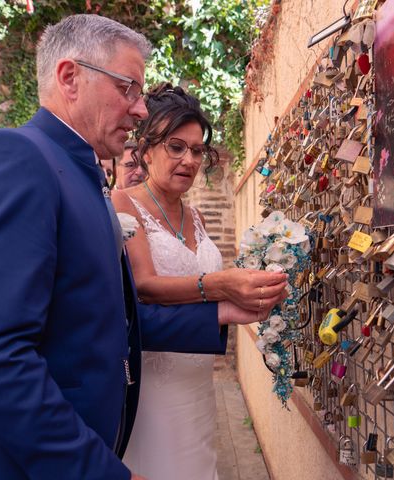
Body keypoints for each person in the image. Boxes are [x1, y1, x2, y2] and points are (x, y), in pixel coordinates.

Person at [0, 14, 287, 480]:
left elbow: (104, 323)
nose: (140, 110)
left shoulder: (82, 176)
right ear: (70, 78)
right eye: (128, 88)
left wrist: (223, 313)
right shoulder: (14, 160)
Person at [112, 84, 280, 480]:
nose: (189, 159)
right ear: (147, 148)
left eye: (197, 150)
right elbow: (144, 286)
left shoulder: (199, 218)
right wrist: (221, 285)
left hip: (198, 383)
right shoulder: (123, 204)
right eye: (176, 147)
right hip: (154, 383)